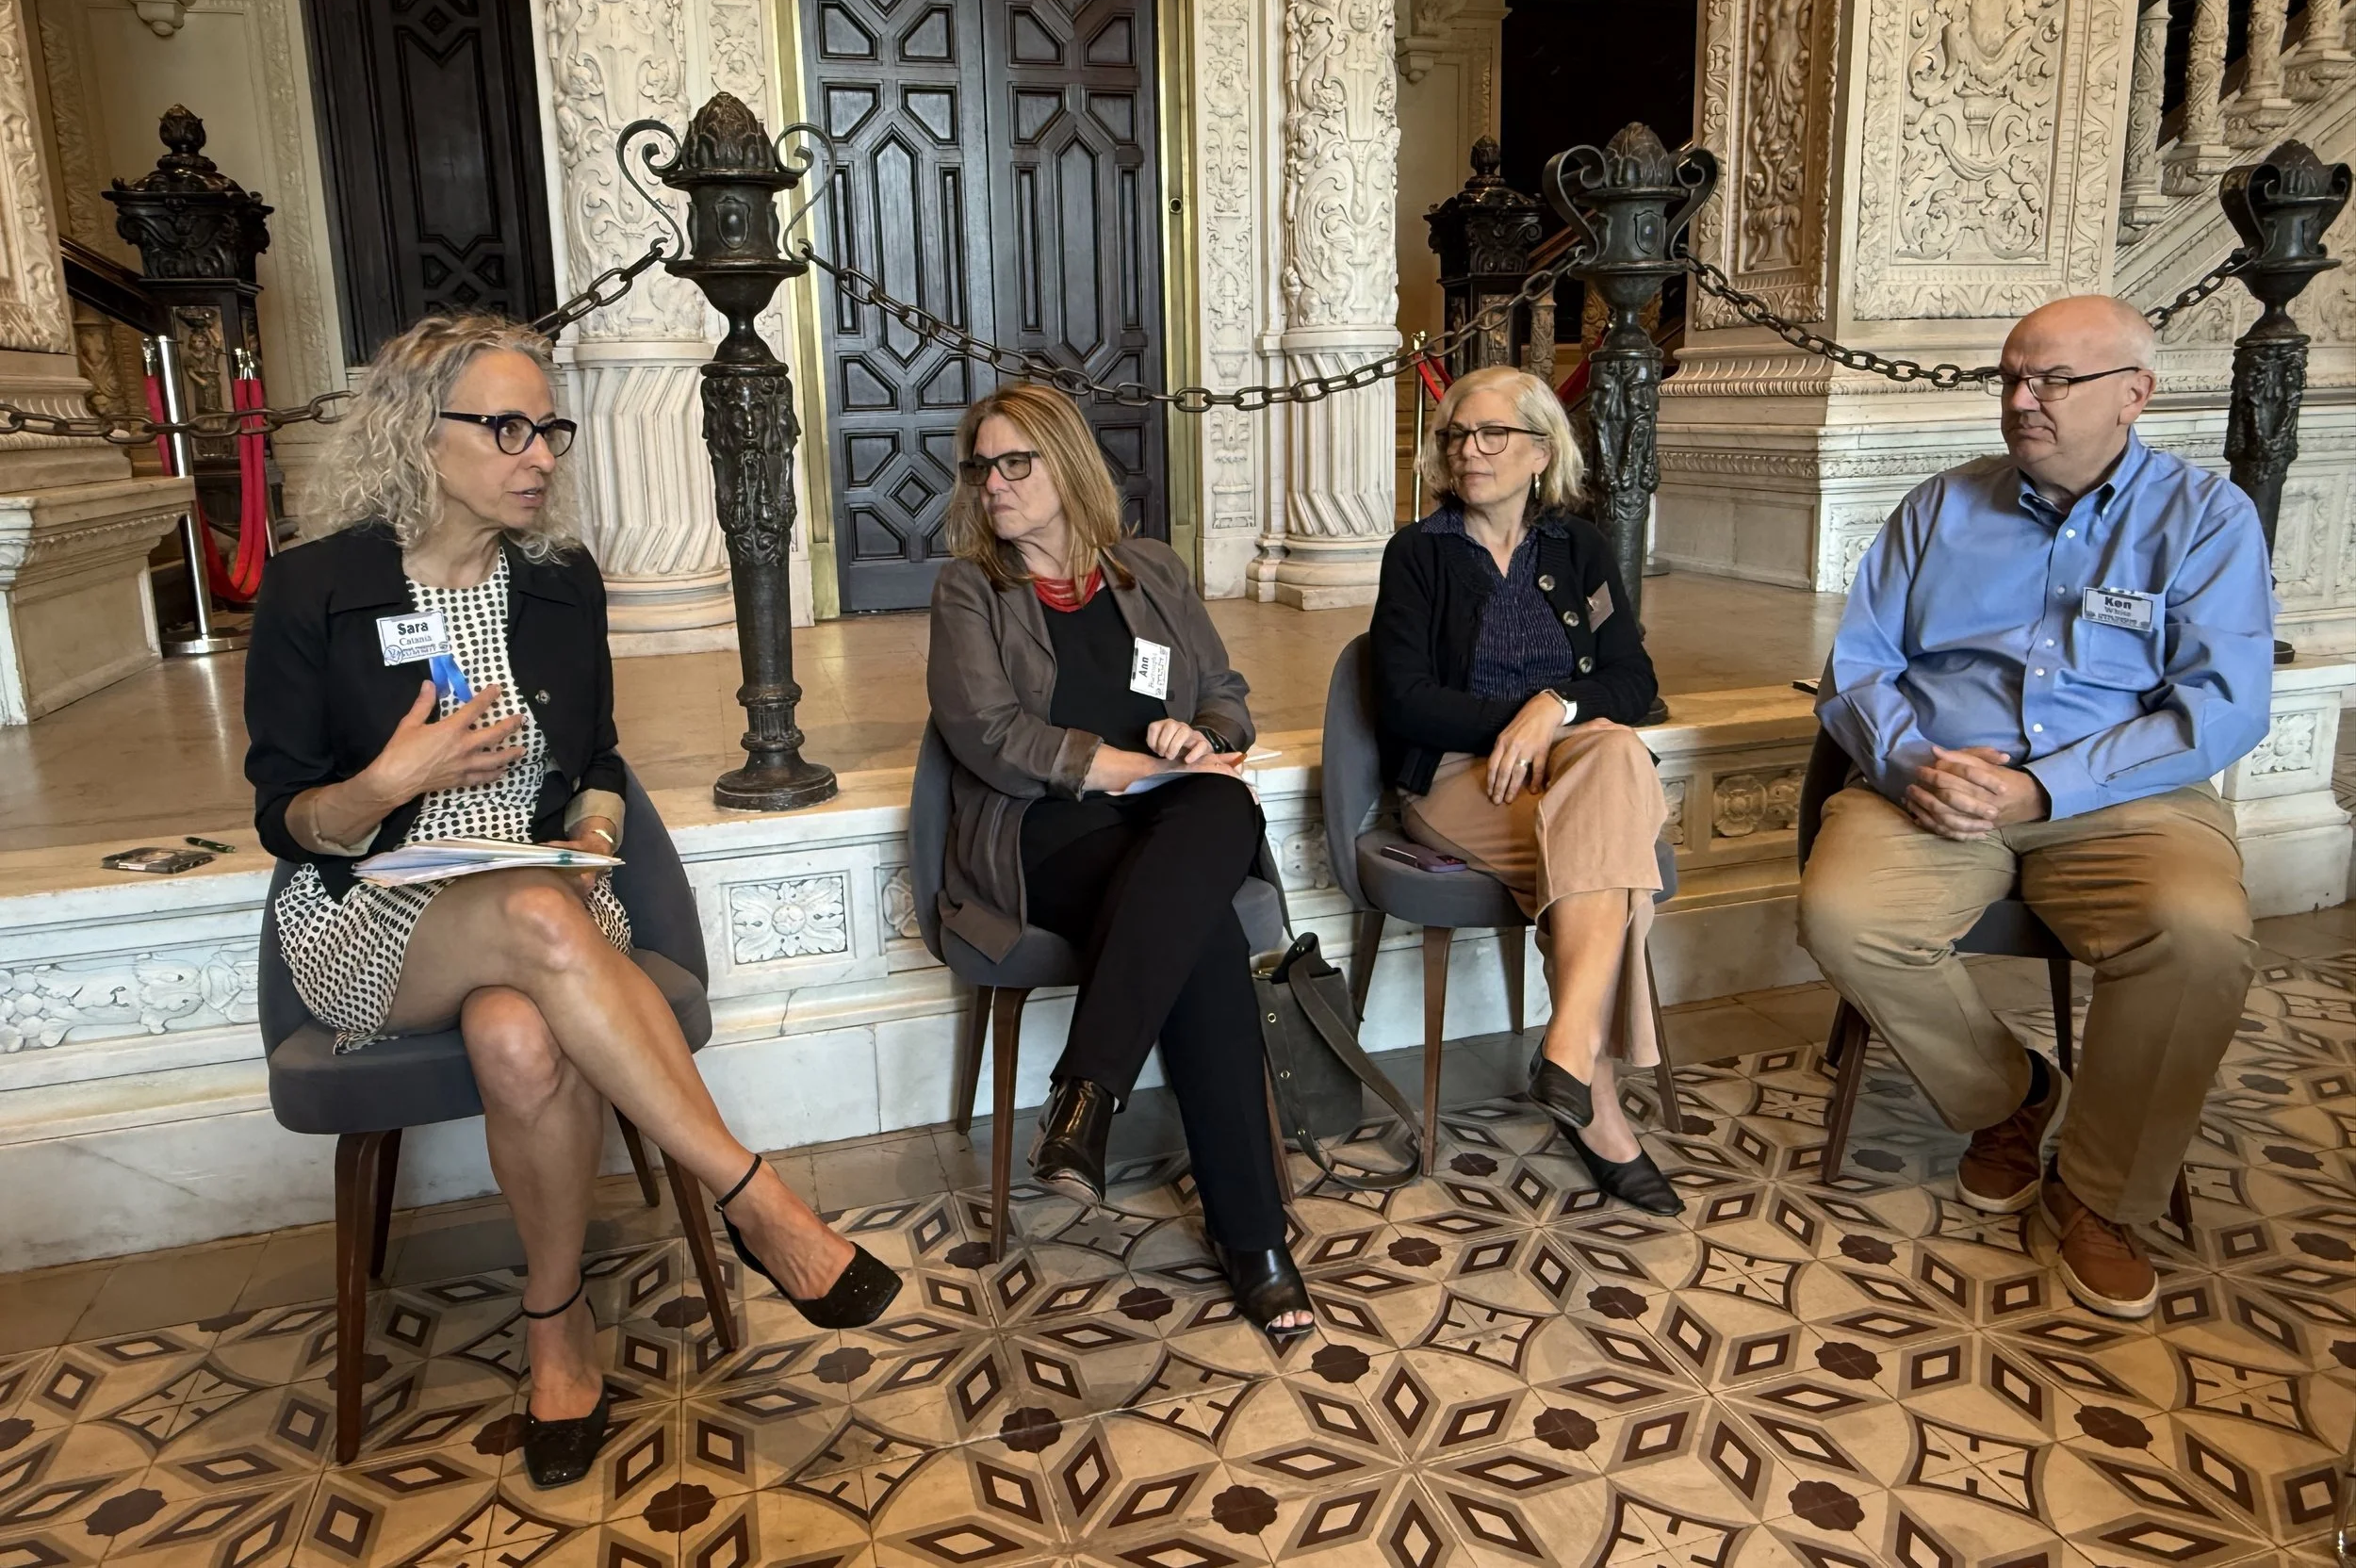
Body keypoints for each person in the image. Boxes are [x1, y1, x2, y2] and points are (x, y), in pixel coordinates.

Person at [244, 314, 899, 1489]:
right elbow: (286, 820)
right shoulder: (312, 590)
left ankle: (557, 1330)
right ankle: (758, 1201)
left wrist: (595, 827)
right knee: (536, 918)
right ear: (416, 434)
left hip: (548, 894)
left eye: (548, 427)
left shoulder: (558, 584)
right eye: (506, 427)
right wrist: (393, 782)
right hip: (371, 914)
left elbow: (595, 759)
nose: (539, 453)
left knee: (517, 1029)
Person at [1799, 294, 2273, 1320]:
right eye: (2010, 377)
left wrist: (2046, 785)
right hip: (1936, 779)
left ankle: (2102, 1198)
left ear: (2133, 395)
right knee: (1847, 915)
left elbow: (2224, 710)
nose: (2021, 401)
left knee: (2197, 934)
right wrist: (1910, 759)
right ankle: (2011, 1097)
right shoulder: (1938, 507)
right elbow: (1856, 668)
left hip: (2123, 790)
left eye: (2052, 380)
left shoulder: (2205, 520)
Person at [925, 382, 1313, 1340]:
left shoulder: (1150, 572)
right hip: (1046, 833)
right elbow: (987, 732)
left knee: (1218, 796)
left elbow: (1226, 691)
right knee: (1208, 936)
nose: (994, 485)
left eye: (1017, 463)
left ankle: (1088, 1091)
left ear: (1067, 467)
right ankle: (1254, 1241)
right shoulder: (970, 590)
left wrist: (1200, 733)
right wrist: (1127, 767)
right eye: (982, 466)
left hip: (1171, 818)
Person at [1368, 366, 1677, 1215]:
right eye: (1457, 436)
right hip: (1463, 779)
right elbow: (1404, 698)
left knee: (1611, 755)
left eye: (1492, 434)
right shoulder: (1419, 554)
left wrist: (1557, 708)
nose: (1470, 451)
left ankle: (1572, 1054)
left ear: (1542, 449)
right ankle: (1590, 1086)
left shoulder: (1578, 548)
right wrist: (1520, 724)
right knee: (1617, 858)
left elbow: (1632, 675)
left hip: (1575, 770)